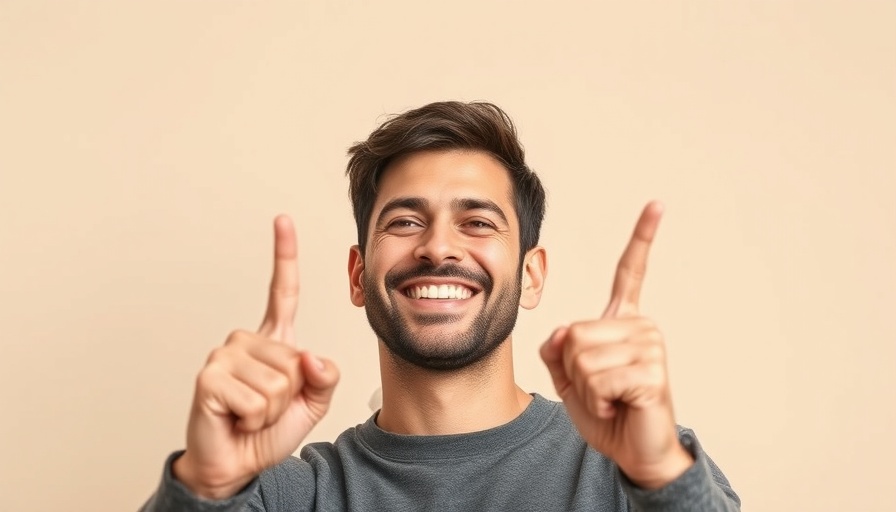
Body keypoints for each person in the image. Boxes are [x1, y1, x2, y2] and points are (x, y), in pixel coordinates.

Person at [140, 101, 740, 511]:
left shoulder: (637, 467)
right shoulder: (288, 496)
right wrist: (205, 486)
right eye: (405, 221)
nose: (438, 247)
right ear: (358, 274)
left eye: (477, 221)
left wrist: (663, 478)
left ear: (531, 276)